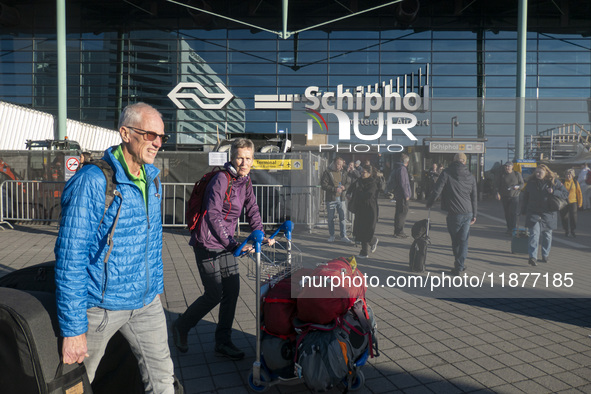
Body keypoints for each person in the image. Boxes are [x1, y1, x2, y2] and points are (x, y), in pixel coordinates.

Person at [54, 103, 175, 392]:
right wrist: (73, 330)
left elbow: (152, 241)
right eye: (149, 134)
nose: (157, 142)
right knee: (75, 385)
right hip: (100, 307)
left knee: (163, 379)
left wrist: (155, 287)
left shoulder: (152, 178)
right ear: (125, 133)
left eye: (162, 137)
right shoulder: (94, 181)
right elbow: (70, 257)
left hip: (145, 303)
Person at [173, 138, 274, 360]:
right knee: (214, 293)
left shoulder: (244, 181)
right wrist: (233, 244)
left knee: (232, 291)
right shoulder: (221, 179)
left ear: (253, 160)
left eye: (248, 158)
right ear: (232, 158)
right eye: (240, 157)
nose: (244, 162)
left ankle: (223, 341)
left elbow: (253, 209)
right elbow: (212, 214)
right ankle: (181, 326)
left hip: (227, 244)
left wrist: (261, 234)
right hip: (207, 243)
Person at [426, 153, 477, 276]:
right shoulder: (470, 176)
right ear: (464, 162)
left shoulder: (447, 173)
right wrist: (475, 214)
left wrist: (430, 203)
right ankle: (460, 265)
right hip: (468, 212)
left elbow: (437, 189)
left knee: (455, 240)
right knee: (464, 240)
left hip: (454, 212)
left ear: (454, 160)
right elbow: (474, 196)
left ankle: (458, 265)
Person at [521, 164, 568, 266]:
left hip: (548, 213)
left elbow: (565, 194)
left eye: (540, 172)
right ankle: (533, 257)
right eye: (536, 172)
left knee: (547, 235)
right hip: (533, 212)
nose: (538, 174)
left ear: (546, 172)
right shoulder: (531, 183)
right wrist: (523, 210)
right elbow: (525, 197)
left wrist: (554, 192)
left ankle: (545, 254)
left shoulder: (554, 182)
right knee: (534, 234)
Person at [348, 164, 379, 258]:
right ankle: (372, 241)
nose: (362, 174)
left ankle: (364, 252)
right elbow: (351, 187)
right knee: (360, 230)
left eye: (364, 172)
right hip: (360, 208)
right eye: (361, 172)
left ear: (369, 173)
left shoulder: (373, 183)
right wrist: (349, 193)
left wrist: (358, 192)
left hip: (369, 209)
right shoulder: (359, 181)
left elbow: (368, 195)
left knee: (366, 230)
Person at [321, 156, 353, 243]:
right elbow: (323, 185)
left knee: (343, 217)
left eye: (341, 165)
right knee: (330, 218)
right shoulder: (327, 172)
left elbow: (348, 182)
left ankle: (343, 235)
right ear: (334, 163)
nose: (340, 166)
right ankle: (332, 235)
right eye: (338, 164)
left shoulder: (343, 172)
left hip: (341, 198)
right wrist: (334, 189)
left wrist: (344, 188)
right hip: (331, 198)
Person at [495, 161, 524, 235]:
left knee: (513, 213)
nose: (507, 168)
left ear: (512, 167)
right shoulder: (502, 175)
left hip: (514, 196)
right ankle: (509, 228)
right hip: (505, 196)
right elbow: (498, 184)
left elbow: (522, 184)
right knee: (507, 213)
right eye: (506, 166)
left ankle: (513, 229)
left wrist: (518, 187)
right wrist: (497, 193)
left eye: (508, 166)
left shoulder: (516, 174)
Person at [388, 153, 411, 238]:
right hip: (402, 195)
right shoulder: (402, 169)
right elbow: (403, 183)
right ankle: (399, 231)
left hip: (398, 194)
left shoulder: (397, 168)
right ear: (407, 162)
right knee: (402, 214)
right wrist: (406, 195)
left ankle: (397, 231)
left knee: (398, 213)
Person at [560, 168, 583, 238]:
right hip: (564, 202)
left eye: (570, 175)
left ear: (572, 175)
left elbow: (579, 193)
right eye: (567, 174)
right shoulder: (562, 181)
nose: (568, 176)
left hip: (573, 202)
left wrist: (580, 203)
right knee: (564, 217)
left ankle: (572, 230)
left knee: (573, 217)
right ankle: (566, 230)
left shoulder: (575, 182)